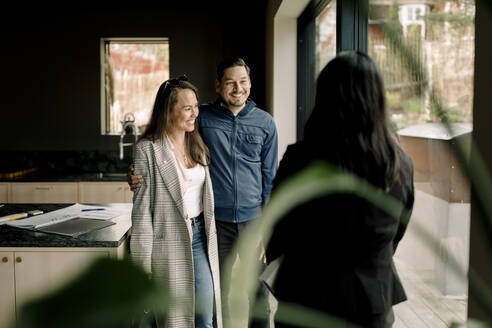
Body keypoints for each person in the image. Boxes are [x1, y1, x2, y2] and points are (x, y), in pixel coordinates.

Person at [265, 51, 415, 328]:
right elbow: (396, 232)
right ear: (378, 100)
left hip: (305, 300)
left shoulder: (301, 158)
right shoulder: (398, 164)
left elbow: (277, 229)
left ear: (324, 98)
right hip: (371, 303)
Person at [129, 57, 278, 328]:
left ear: (250, 83)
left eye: (243, 81)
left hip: (251, 221)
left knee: (257, 295)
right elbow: (162, 147)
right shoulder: (203, 118)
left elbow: (270, 180)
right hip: (215, 225)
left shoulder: (265, 123)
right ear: (218, 85)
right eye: (230, 82)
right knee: (216, 300)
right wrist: (136, 175)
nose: (237, 88)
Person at [130, 76, 222, 328]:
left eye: (196, 106)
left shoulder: (197, 144)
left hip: (200, 237)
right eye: (187, 108)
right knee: (175, 320)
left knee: (205, 315)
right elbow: (141, 214)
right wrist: (142, 266)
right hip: (167, 241)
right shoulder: (147, 149)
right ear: (168, 112)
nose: (195, 113)